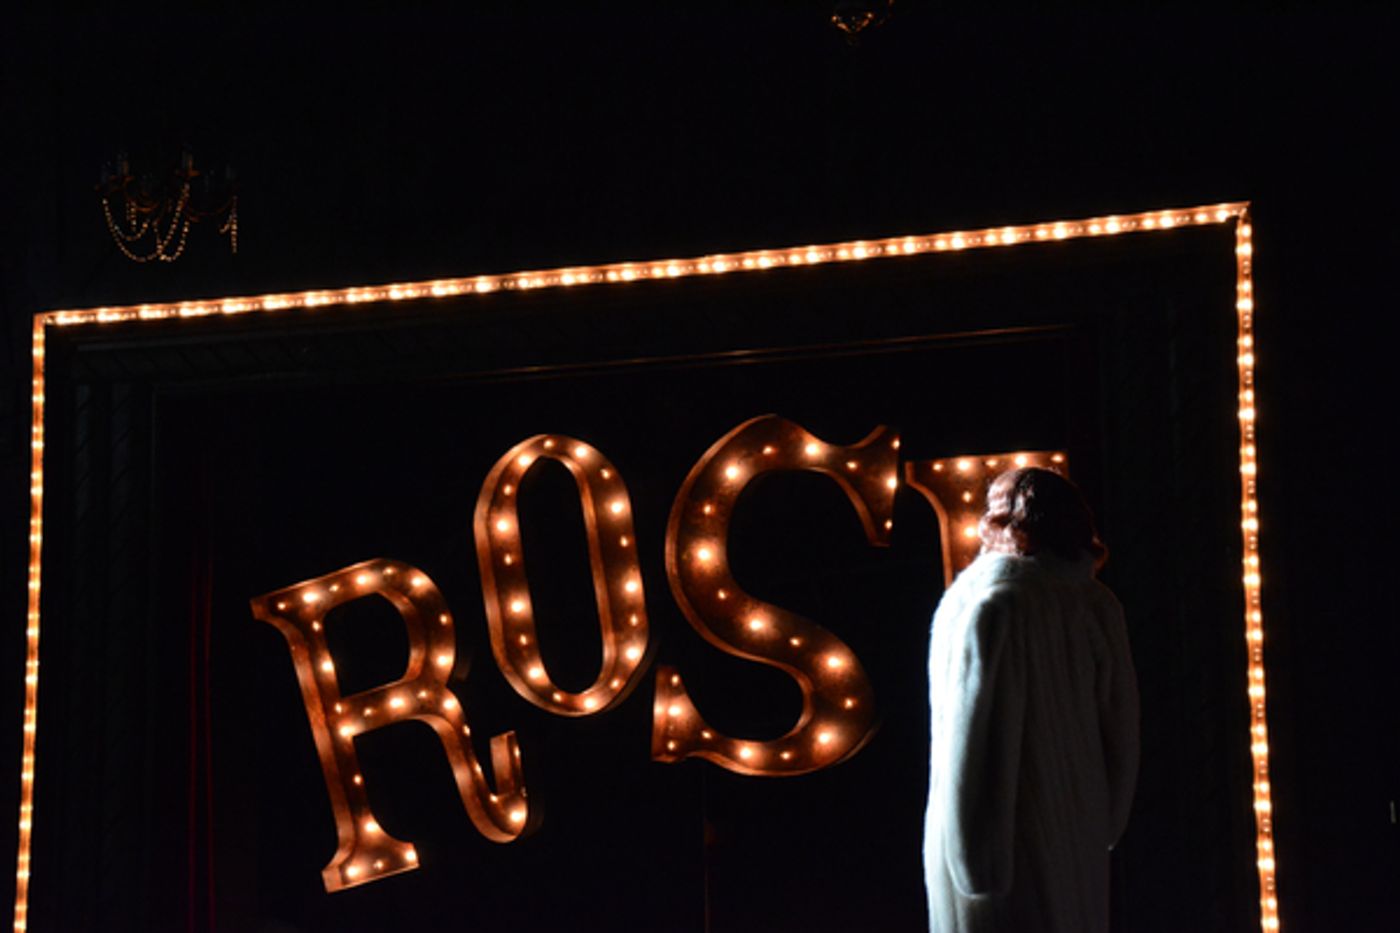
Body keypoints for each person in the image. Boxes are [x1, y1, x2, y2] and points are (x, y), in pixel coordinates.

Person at [924, 468, 1139, 933]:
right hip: (1071, 825)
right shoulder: (1094, 605)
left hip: (999, 839)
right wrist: (1104, 824)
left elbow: (969, 744)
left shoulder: (983, 604)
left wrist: (974, 861)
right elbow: (1122, 732)